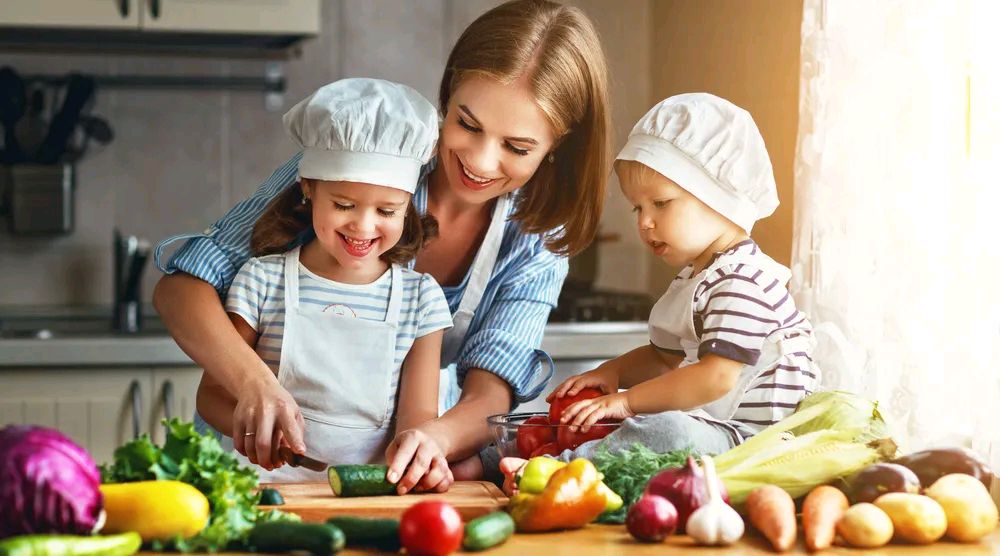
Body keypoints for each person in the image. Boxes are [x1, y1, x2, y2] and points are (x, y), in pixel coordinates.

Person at [152, 0, 611, 492]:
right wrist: (254, 385)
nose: (479, 160)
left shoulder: (536, 239)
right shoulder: (360, 155)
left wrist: (430, 441)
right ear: (449, 90)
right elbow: (182, 289)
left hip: (371, 477)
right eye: (467, 124)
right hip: (245, 465)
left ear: (557, 143)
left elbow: (488, 394)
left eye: (517, 148)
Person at [192, 78, 453, 483]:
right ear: (308, 189)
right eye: (344, 204)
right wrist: (256, 434)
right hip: (263, 488)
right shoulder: (262, 281)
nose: (363, 226)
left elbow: (416, 422)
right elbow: (212, 397)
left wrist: (415, 458)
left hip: (364, 496)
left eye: (387, 211)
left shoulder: (421, 300)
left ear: (408, 207)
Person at [545, 93, 822, 461]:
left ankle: (559, 469)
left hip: (757, 444)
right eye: (637, 207)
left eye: (661, 203)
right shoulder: (700, 277)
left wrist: (627, 403)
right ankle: (515, 453)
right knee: (646, 423)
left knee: (667, 429)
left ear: (718, 197)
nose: (644, 222)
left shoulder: (744, 281)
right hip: (719, 432)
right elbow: (663, 360)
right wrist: (612, 372)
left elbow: (715, 377)